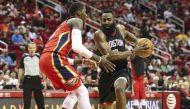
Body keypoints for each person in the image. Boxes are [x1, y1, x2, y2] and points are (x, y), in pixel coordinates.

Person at [39, 2, 115, 109]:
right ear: (79, 13)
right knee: (82, 91)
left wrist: (82, 61)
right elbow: (77, 47)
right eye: (85, 12)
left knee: (74, 92)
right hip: (52, 58)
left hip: (47, 59)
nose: (87, 15)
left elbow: (61, 56)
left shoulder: (65, 25)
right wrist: (99, 59)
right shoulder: (77, 20)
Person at [93, 9, 147, 109]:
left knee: (119, 89)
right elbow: (110, 55)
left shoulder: (120, 29)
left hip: (121, 71)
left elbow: (126, 34)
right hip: (106, 73)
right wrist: (132, 51)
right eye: (104, 20)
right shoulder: (99, 34)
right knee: (106, 105)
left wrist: (138, 41)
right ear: (100, 21)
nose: (106, 22)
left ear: (114, 19)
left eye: (109, 19)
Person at [18, 42, 45, 109]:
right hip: (27, 81)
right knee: (26, 102)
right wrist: (18, 81)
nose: (32, 49)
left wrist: (44, 80)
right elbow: (21, 70)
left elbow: (43, 69)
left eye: (33, 48)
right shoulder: (24, 58)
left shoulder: (39, 57)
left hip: (37, 80)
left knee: (40, 101)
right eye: (30, 48)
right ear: (28, 48)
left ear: (35, 48)